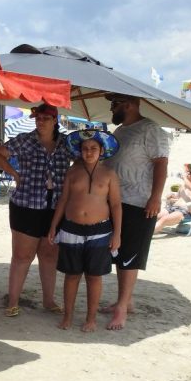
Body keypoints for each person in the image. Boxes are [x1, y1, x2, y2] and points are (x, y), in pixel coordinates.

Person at [0, 103, 71, 316]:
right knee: (22, 256)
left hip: (55, 207)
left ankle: (48, 301)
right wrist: (15, 174)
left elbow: (85, 160)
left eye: (45, 118)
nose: (40, 121)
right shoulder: (26, 139)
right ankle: (13, 302)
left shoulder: (66, 143)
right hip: (26, 204)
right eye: (38, 118)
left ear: (55, 120)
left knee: (49, 255)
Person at [101, 93, 170, 330]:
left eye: (114, 104)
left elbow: (161, 163)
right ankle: (125, 301)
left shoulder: (150, 129)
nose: (111, 109)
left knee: (131, 256)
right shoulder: (120, 131)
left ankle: (122, 308)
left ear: (128, 105)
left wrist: (155, 197)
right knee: (120, 253)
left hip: (139, 202)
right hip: (116, 201)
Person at [48, 130, 122, 332]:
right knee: (71, 275)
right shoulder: (73, 172)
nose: (89, 152)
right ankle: (68, 316)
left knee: (94, 276)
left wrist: (117, 234)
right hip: (71, 228)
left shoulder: (109, 174)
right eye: (85, 148)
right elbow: (63, 200)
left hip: (100, 231)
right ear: (79, 151)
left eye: (93, 148)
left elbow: (115, 205)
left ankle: (91, 319)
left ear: (102, 150)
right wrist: (54, 225)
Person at [154, 164, 191, 233]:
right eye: (188, 172)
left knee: (164, 220)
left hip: (184, 212)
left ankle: (144, 235)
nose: (188, 174)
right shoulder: (184, 185)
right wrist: (171, 197)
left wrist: (184, 178)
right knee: (154, 217)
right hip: (172, 208)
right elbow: (178, 198)